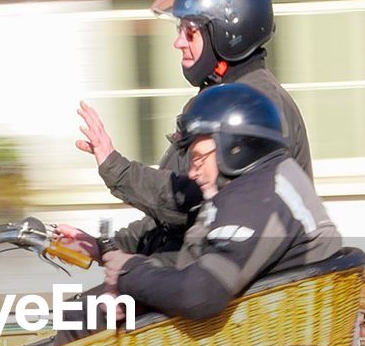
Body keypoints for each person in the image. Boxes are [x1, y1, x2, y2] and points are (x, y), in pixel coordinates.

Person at [57, 0, 312, 265]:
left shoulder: (252, 106)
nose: (178, 42)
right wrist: (106, 246)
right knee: (81, 307)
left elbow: (190, 202)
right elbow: (173, 220)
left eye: (189, 31)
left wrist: (116, 168)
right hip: (200, 267)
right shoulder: (220, 98)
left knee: (83, 311)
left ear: (227, 34)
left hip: (235, 285)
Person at [97, 83, 341, 322]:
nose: (192, 172)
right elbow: (193, 262)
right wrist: (133, 272)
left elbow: (199, 295)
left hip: (260, 328)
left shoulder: (256, 197)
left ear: (234, 148)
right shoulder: (261, 181)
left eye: (199, 158)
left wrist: (128, 272)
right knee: (88, 311)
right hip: (266, 317)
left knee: (84, 317)